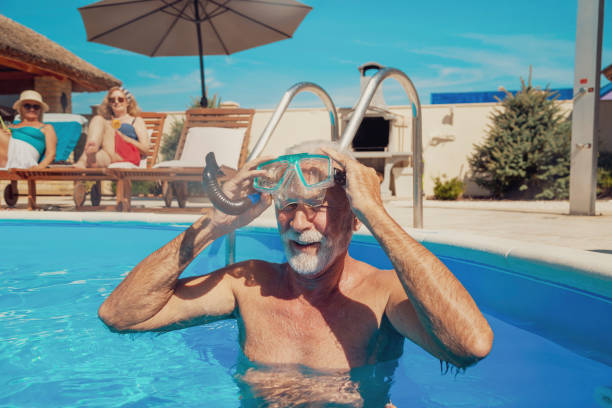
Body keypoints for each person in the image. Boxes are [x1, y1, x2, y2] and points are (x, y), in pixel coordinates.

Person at [99, 141, 493, 403]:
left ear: (352, 216)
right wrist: (214, 224)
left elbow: (470, 346)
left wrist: (375, 212)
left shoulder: (382, 294)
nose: (299, 222)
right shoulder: (249, 284)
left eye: (318, 205)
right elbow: (121, 315)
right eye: (287, 204)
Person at [74, 87, 148, 168]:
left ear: (127, 102)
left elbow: (145, 149)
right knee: (98, 119)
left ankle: (85, 157)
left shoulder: (136, 120)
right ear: (109, 103)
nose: (116, 102)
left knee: (100, 121)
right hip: (109, 153)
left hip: (128, 154)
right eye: (112, 100)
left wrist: (124, 138)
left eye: (120, 99)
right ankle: (88, 157)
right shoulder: (106, 121)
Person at [0, 90, 57, 170]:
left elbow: (51, 153)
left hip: (25, 159)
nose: (32, 109)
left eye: (36, 107)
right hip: (6, 155)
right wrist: (8, 135)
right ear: (20, 108)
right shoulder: (12, 126)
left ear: (40, 110)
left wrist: (39, 167)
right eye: (27, 106)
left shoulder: (46, 127)